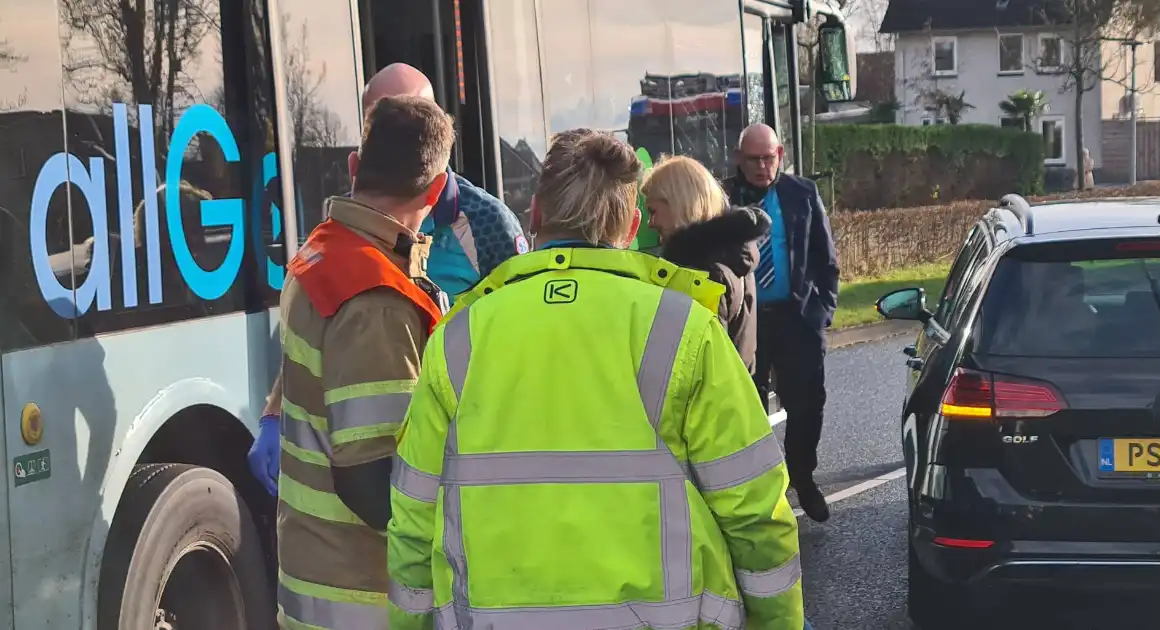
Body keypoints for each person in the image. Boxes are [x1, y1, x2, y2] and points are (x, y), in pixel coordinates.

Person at [386, 129, 806, 629]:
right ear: (631, 227)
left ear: (536, 214)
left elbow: (411, 523)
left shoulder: (457, 339)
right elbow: (756, 513)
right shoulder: (684, 330)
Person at [248, 63, 527, 496]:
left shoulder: (490, 227)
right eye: (380, 123)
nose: (397, 142)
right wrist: (273, 411)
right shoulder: (353, 247)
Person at [275, 95, 454, 629]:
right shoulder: (375, 297)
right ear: (437, 190)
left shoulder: (325, 251)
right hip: (363, 598)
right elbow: (374, 481)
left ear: (355, 166)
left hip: (317, 580)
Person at [724, 123, 839, 524]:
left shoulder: (801, 194)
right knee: (746, 409)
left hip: (798, 317)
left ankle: (803, 477)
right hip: (746, 320)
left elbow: (825, 260)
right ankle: (759, 491)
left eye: (767, 157)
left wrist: (823, 311)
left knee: (807, 405)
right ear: (739, 159)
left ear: (780, 154)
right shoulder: (724, 198)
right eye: (753, 159)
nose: (761, 166)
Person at [642, 154, 770, 374]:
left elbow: (701, 366)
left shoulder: (702, 272)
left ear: (678, 204)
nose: (650, 223)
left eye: (653, 212)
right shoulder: (732, 256)